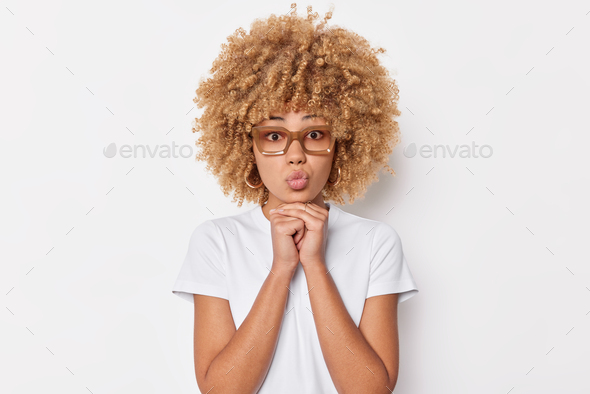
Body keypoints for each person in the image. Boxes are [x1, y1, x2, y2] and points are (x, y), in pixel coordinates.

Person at [172, 4, 419, 393]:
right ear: (246, 147)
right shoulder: (216, 241)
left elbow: (370, 390)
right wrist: (281, 269)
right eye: (273, 135)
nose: (295, 153)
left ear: (341, 145)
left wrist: (315, 265)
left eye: (315, 134)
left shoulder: (376, 243)